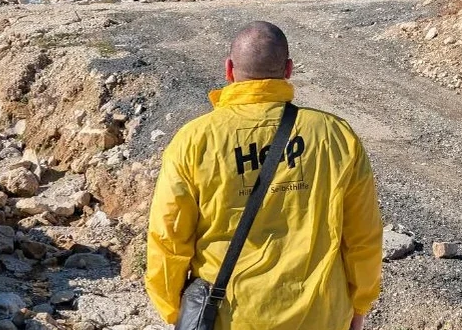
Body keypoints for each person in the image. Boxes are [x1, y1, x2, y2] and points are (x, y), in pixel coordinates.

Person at [144, 21, 383, 330]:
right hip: (320, 316)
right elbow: (363, 237)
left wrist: (175, 312)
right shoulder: (335, 136)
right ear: (288, 69)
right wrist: (360, 305)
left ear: (229, 70)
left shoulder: (194, 141)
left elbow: (168, 239)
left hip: (230, 319)